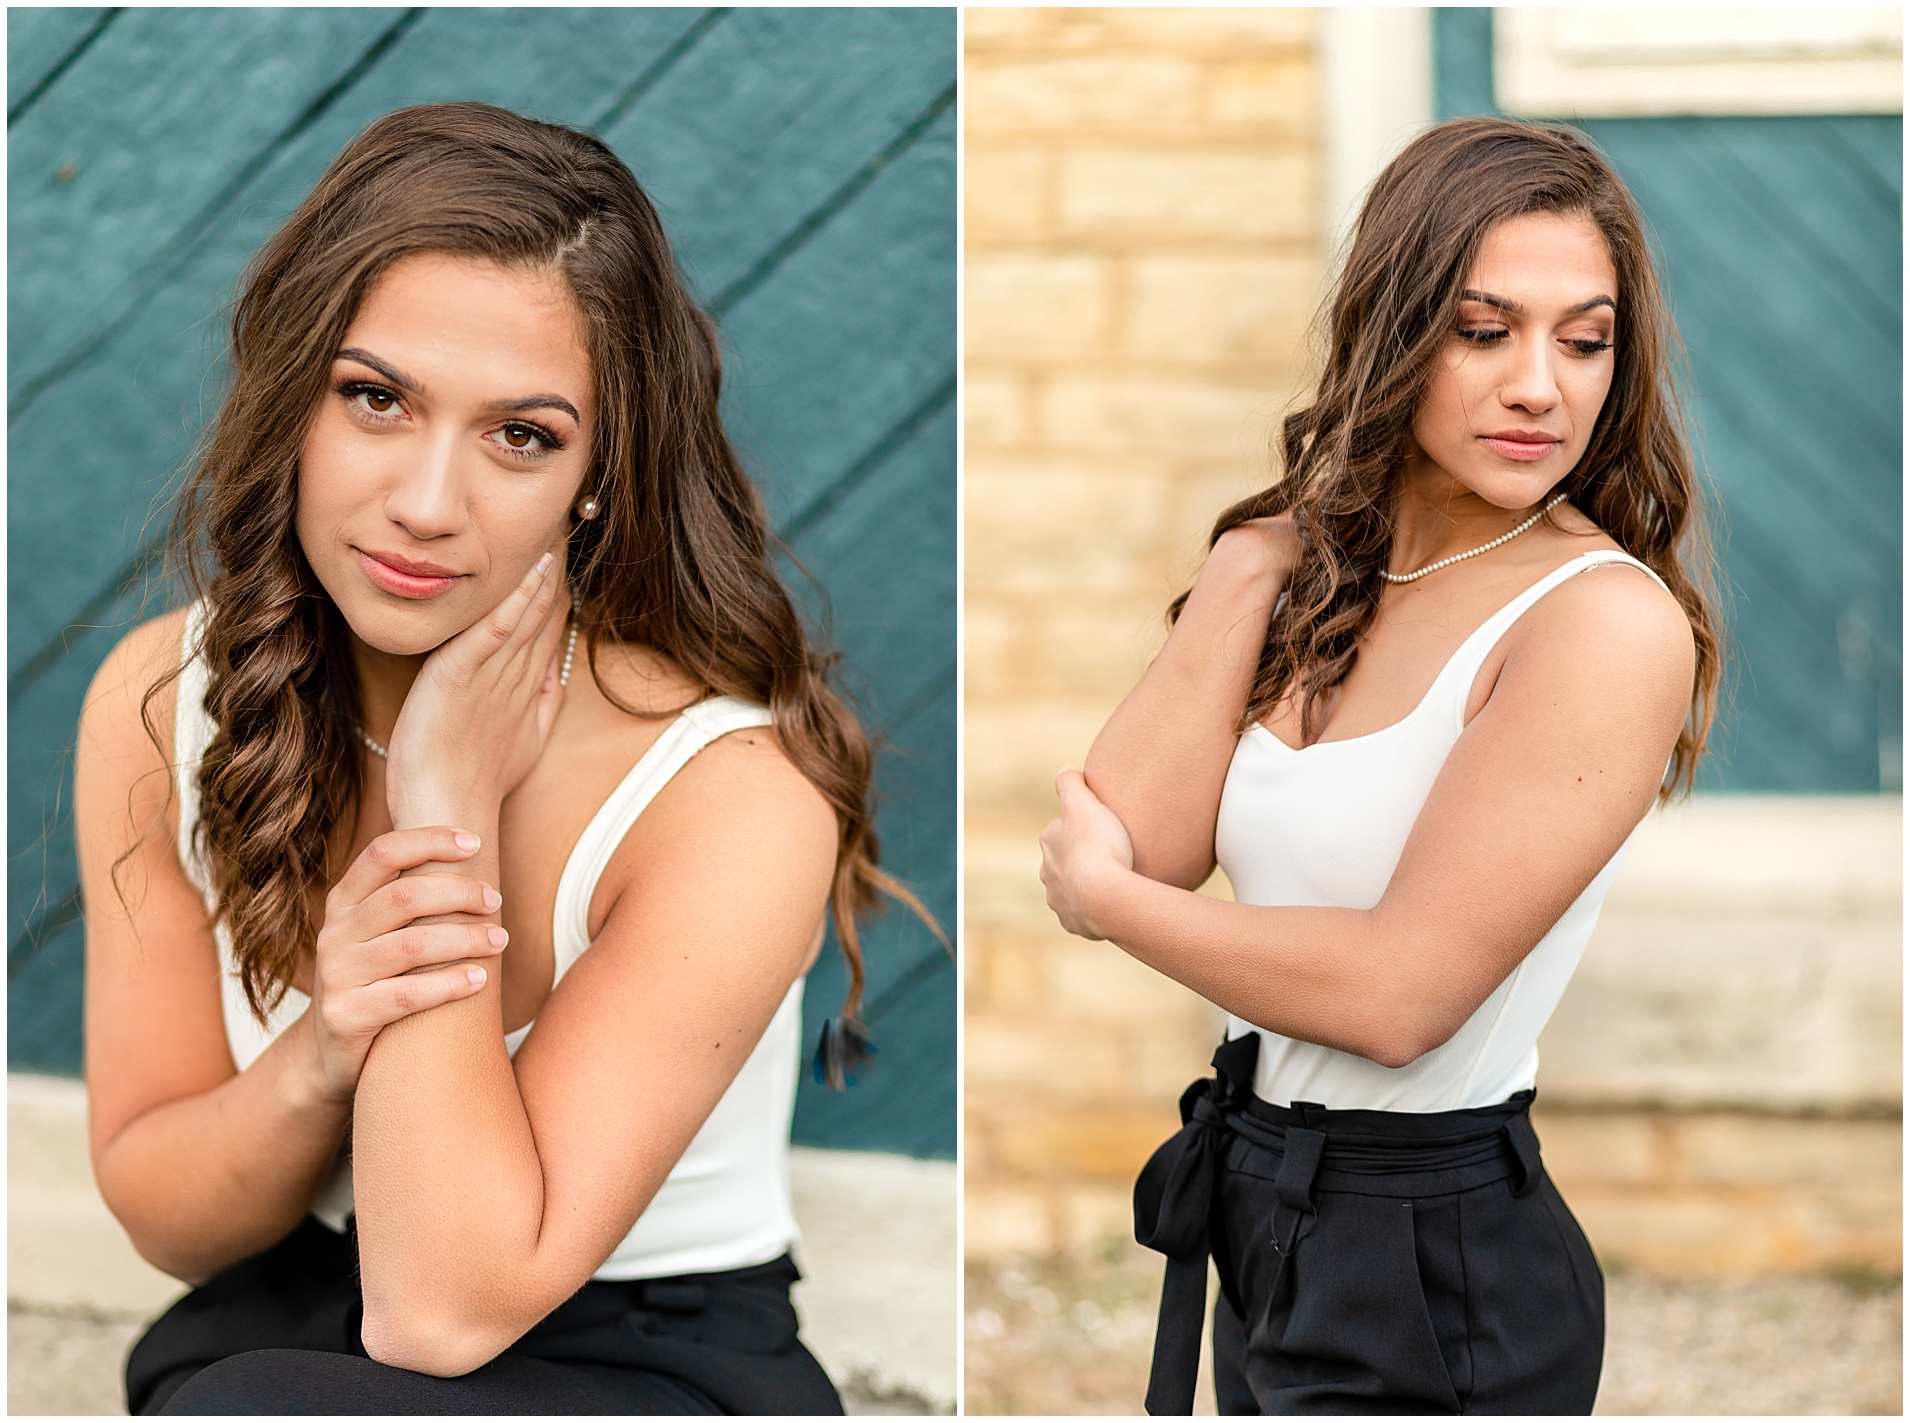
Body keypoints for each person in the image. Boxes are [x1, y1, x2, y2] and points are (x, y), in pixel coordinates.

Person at [75, 100, 939, 1415]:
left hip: (641, 1358)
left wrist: (443, 809)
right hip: (295, 1309)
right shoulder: (159, 695)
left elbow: (441, 1313)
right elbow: (171, 1221)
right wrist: (325, 1046)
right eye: (375, 400)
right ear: (294, 399)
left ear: (595, 473)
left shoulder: (723, 797)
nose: (427, 502)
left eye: (520, 436)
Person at [1038, 116, 1724, 1415]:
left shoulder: (1597, 621)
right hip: (1260, 1204)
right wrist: (1250, 562)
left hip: (1431, 1249)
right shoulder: (1320, 574)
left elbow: (1398, 999)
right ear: (1392, 331)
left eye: (1584, 340)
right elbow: (1134, 826)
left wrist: (1121, 913)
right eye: (1484, 330)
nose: (1541, 385)